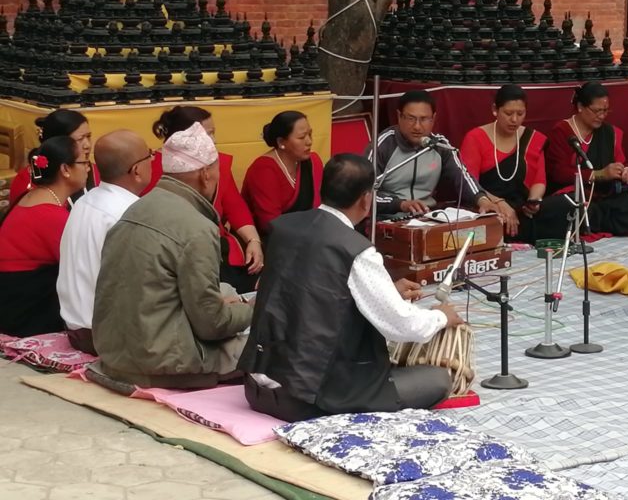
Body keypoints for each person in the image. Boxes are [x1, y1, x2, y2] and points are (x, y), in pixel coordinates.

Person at [240, 154, 460, 420]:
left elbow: (313, 291)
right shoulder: (355, 250)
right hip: (305, 398)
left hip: (257, 390)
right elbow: (401, 325)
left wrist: (387, 290)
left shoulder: (284, 228)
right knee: (437, 380)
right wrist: (441, 317)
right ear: (366, 199)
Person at [93, 123, 252, 388]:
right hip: (161, 365)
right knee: (271, 342)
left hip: (115, 356)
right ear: (205, 174)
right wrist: (252, 310)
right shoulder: (197, 229)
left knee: (225, 290)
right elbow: (211, 325)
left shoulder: (135, 209)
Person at [57, 130, 154, 354]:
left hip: (76, 328)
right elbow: (143, 283)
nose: (152, 161)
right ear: (137, 170)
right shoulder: (129, 214)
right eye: (149, 155)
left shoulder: (84, 201)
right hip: (109, 335)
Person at [148, 106, 263, 291]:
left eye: (213, 133)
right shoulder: (151, 169)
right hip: (178, 252)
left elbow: (235, 207)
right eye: (208, 134)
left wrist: (253, 241)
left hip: (219, 248)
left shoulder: (218, 164)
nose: (214, 140)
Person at [0, 137, 90, 336]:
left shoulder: (36, 196)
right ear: (65, 169)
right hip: (23, 307)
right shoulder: (51, 215)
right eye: (84, 162)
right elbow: (80, 269)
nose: (88, 168)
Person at [545, 82, 628, 238]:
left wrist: (626, 171)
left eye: (605, 111)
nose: (602, 116)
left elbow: (621, 163)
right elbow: (558, 173)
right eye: (597, 111)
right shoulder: (562, 131)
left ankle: (591, 224)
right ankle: (596, 223)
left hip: (606, 199)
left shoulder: (609, 132)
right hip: (576, 197)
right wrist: (599, 174)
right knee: (570, 207)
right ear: (580, 107)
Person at [369, 90, 498, 218]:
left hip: (426, 216)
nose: (417, 126)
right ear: (399, 116)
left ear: (433, 119)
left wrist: (482, 200)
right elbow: (364, 194)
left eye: (424, 119)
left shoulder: (439, 145)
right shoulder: (383, 145)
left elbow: (462, 177)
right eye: (411, 118)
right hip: (387, 218)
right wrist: (400, 204)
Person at [460, 85, 565, 242]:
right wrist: (500, 203)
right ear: (495, 110)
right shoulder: (475, 138)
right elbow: (469, 184)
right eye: (508, 113)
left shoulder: (534, 139)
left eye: (520, 114)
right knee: (491, 221)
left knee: (562, 206)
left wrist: (533, 201)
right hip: (488, 207)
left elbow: (539, 181)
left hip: (521, 208)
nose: (514, 120)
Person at [242, 111, 323, 239]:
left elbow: (318, 209)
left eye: (310, 134)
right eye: (302, 137)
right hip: (271, 240)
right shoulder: (264, 170)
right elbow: (270, 224)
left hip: (309, 234)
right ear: (281, 142)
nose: (309, 141)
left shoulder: (313, 162)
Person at [9, 109, 98, 205]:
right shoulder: (27, 182)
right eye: (80, 139)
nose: (87, 145)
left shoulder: (96, 171)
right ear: (58, 144)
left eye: (88, 136)